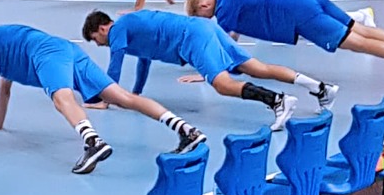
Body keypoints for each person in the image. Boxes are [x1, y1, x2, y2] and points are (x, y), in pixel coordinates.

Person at [0, 18, 204, 174]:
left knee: (61, 98)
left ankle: (93, 142)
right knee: (123, 97)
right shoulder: (3, 53)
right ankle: (186, 130)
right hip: (65, 49)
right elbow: (4, 89)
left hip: (47, 52)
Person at [82, 9, 336, 130]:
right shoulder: (130, 30)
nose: (99, 44)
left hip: (191, 37)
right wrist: (135, 93)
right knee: (256, 67)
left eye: (96, 39)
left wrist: (107, 99)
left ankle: (278, 101)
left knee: (222, 85)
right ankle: (320, 88)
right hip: (203, 27)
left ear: (103, 28)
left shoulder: (118, 30)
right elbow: (144, 61)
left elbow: (114, 67)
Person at [188, 0, 384, 87]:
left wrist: (212, 71)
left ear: (204, 6)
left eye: (203, 17)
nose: (208, 20)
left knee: (356, 43)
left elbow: (223, 43)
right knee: (359, 28)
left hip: (299, 14)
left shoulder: (224, 8)